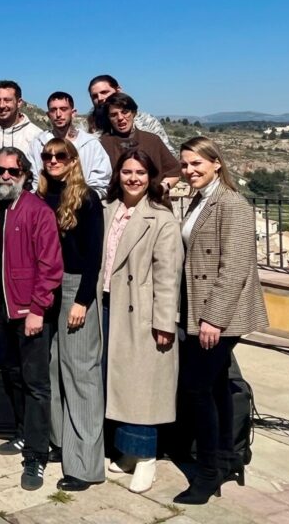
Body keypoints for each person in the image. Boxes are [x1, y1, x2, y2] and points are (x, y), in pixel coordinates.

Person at [174, 137, 268, 505]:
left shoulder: (232, 204)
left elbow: (235, 267)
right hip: (200, 309)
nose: (190, 170)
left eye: (197, 163)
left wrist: (213, 318)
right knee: (215, 387)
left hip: (218, 315)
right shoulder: (200, 200)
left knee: (197, 390)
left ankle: (209, 472)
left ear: (215, 163)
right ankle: (228, 458)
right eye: (185, 164)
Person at [100, 149, 182, 494]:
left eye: (140, 173)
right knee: (118, 383)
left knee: (142, 386)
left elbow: (168, 274)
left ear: (150, 178)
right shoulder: (109, 211)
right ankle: (128, 452)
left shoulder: (161, 218)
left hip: (140, 310)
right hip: (108, 304)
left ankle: (147, 457)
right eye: (127, 171)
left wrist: (164, 321)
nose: (133, 178)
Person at [0, 148, 63, 491]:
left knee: (35, 384)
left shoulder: (37, 211)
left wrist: (38, 309)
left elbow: (50, 266)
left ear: (25, 175)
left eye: (13, 172)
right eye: (0, 170)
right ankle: (19, 432)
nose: (5, 176)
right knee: (12, 375)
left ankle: (36, 455)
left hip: (27, 311)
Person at [36, 139, 106, 492]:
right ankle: (60, 442)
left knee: (81, 374)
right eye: (47, 156)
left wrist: (82, 300)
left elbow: (95, 256)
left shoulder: (87, 199)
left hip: (75, 286)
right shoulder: (40, 196)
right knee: (51, 368)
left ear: (73, 160)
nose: (53, 161)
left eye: (60, 155)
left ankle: (85, 465)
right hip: (46, 285)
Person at [31, 92, 112, 198]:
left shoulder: (90, 144)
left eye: (63, 109)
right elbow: (36, 180)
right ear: (48, 115)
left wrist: (81, 200)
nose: (58, 114)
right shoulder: (39, 143)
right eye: (53, 110)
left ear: (73, 113)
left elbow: (100, 182)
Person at [99, 93, 181, 190]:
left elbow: (174, 171)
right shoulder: (102, 144)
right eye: (113, 115)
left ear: (133, 113)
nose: (120, 118)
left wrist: (161, 190)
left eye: (125, 112)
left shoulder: (152, 141)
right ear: (109, 118)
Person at [87, 75, 176, 155]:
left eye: (104, 92)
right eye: (94, 96)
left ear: (118, 90)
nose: (100, 98)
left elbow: (168, 154)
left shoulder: (146, 121)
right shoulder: (87, 128)